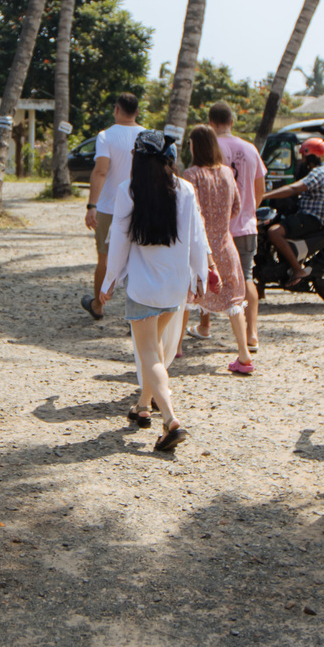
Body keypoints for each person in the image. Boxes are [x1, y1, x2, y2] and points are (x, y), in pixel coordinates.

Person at [100, 134, 211, 451]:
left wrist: (109, 282)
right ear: (169, 160)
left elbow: (120, 244)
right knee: (158, 352)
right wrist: (199, 274)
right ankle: (143, 406)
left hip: (143, 288)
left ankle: (171, 420)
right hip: (174, 288)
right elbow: (196, 236)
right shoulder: (185, 189)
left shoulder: (129, 191)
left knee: (148, 353)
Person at [183, 124, 255, 374]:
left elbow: (186, 212)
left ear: (195, 145)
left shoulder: (190, 175)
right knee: (233, 299)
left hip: (199, 246)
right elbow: (236, 207)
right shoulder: (227, 173)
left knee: (187, 294)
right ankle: (244, 355)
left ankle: (177, 346)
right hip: (225, 244)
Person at [204, 103, 265, 345]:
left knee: (208, 273)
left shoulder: (210, 147)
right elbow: (259, 188)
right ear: (233, 121)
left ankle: (205, 325)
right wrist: (248, 210)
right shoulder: (250, 149)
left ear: (210, 122)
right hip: (247, 225)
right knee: (247, 276)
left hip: (216, 228)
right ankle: (252, 333)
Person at [82, 93, 144, 320]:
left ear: (117, 109)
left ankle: (98, 305)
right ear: (137, 112)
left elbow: (100, 171)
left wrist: (92, 205)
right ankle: (136, 313)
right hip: (139, 205)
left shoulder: (105, 136)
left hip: (110, 205)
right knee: (138, 260)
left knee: (104, 259)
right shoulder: (147, 136)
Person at [260, 138, 324, 276]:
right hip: (306, 216)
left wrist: (265, 196)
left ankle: (298, 270)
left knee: (274, 232)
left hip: (311, 218)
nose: (302, 160)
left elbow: (294, 188)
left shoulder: (320, 172)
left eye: (304, 156)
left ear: (311, 156)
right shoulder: (321, 171)